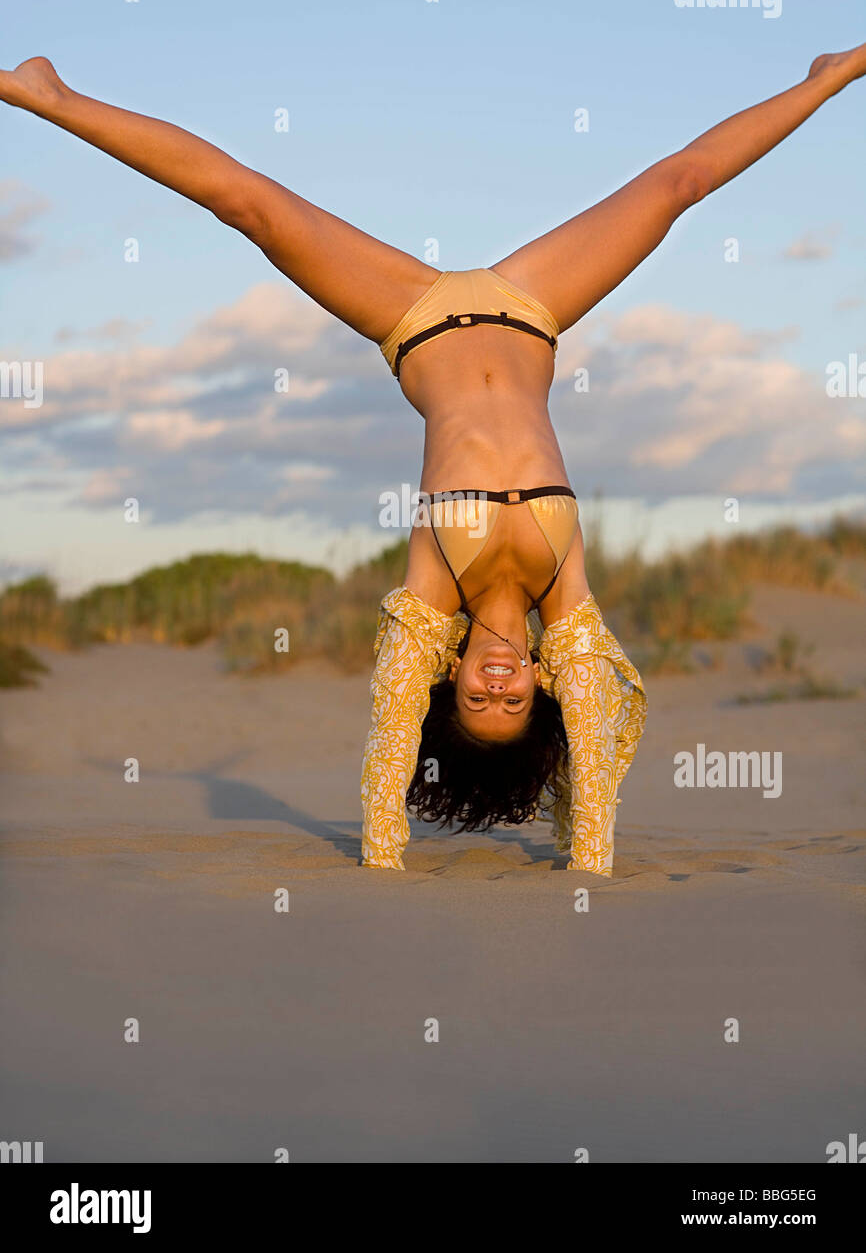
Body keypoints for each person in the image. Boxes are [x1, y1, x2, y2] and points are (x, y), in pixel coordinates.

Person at [4, 43, 863, 873]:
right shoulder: (564, 597)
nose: (496, 686)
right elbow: (593, 759)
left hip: (414, 318)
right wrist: (588, 865)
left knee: (249, 206)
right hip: (533, 307)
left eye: (476, 701)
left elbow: (388, 751)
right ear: (539, 681)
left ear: (447, 680)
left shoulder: (431, 595)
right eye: (514, 700)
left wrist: (384, 856)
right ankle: (826, 80)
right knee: (682, 183)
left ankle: (53, 99)